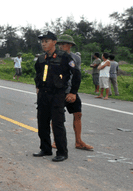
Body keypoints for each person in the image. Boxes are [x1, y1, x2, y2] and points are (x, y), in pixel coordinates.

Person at [33, 31, 81, 162]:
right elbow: (37, 74)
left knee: (57, 123)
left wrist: (73, 92)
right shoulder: (41, 58)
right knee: (42, 122)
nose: (43, 43)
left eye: (46, 41)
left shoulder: (64, 57)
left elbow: (76, 74)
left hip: (57, 94)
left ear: (54, 42)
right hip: (43, 94)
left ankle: (62, 152)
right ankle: (45, 149)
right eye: (42, 41)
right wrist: (37, 87)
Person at [54, 34, 93, 150]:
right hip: (58, 91)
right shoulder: (54, 57)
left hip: (71, 91)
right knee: (57, 117)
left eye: (64, 44)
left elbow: (77, 75)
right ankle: (56, 141)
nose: (61, 46)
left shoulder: (76, 58)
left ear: (70, 45)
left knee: (78, 114)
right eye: (60, 44)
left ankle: (78, 141)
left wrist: (73, 92)